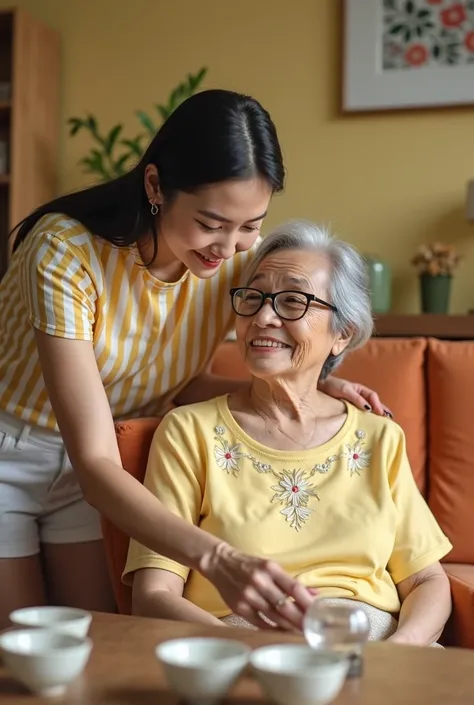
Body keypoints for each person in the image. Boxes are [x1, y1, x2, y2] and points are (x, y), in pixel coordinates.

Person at [0, 90, 387, 631]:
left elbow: (178, 382)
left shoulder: (233, 263)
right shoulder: (66, 252)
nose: (229, 248)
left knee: (96, 643)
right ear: (156, 185)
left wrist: (311, 392)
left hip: (101, 463)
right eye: (211, 223)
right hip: (16, 454)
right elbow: (95, 463)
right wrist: (219, 559)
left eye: (250, 224)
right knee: (25, 652)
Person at [124, 220, 452, 645]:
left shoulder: (379, 439)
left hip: (376, 644)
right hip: (242, 648)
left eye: (293, 302)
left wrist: (398, 653)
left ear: (343, 334)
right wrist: (256, 653)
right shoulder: (190, 431)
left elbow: (427, 579)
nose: (263, 317)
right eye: (254, 297)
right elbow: (153, 595)